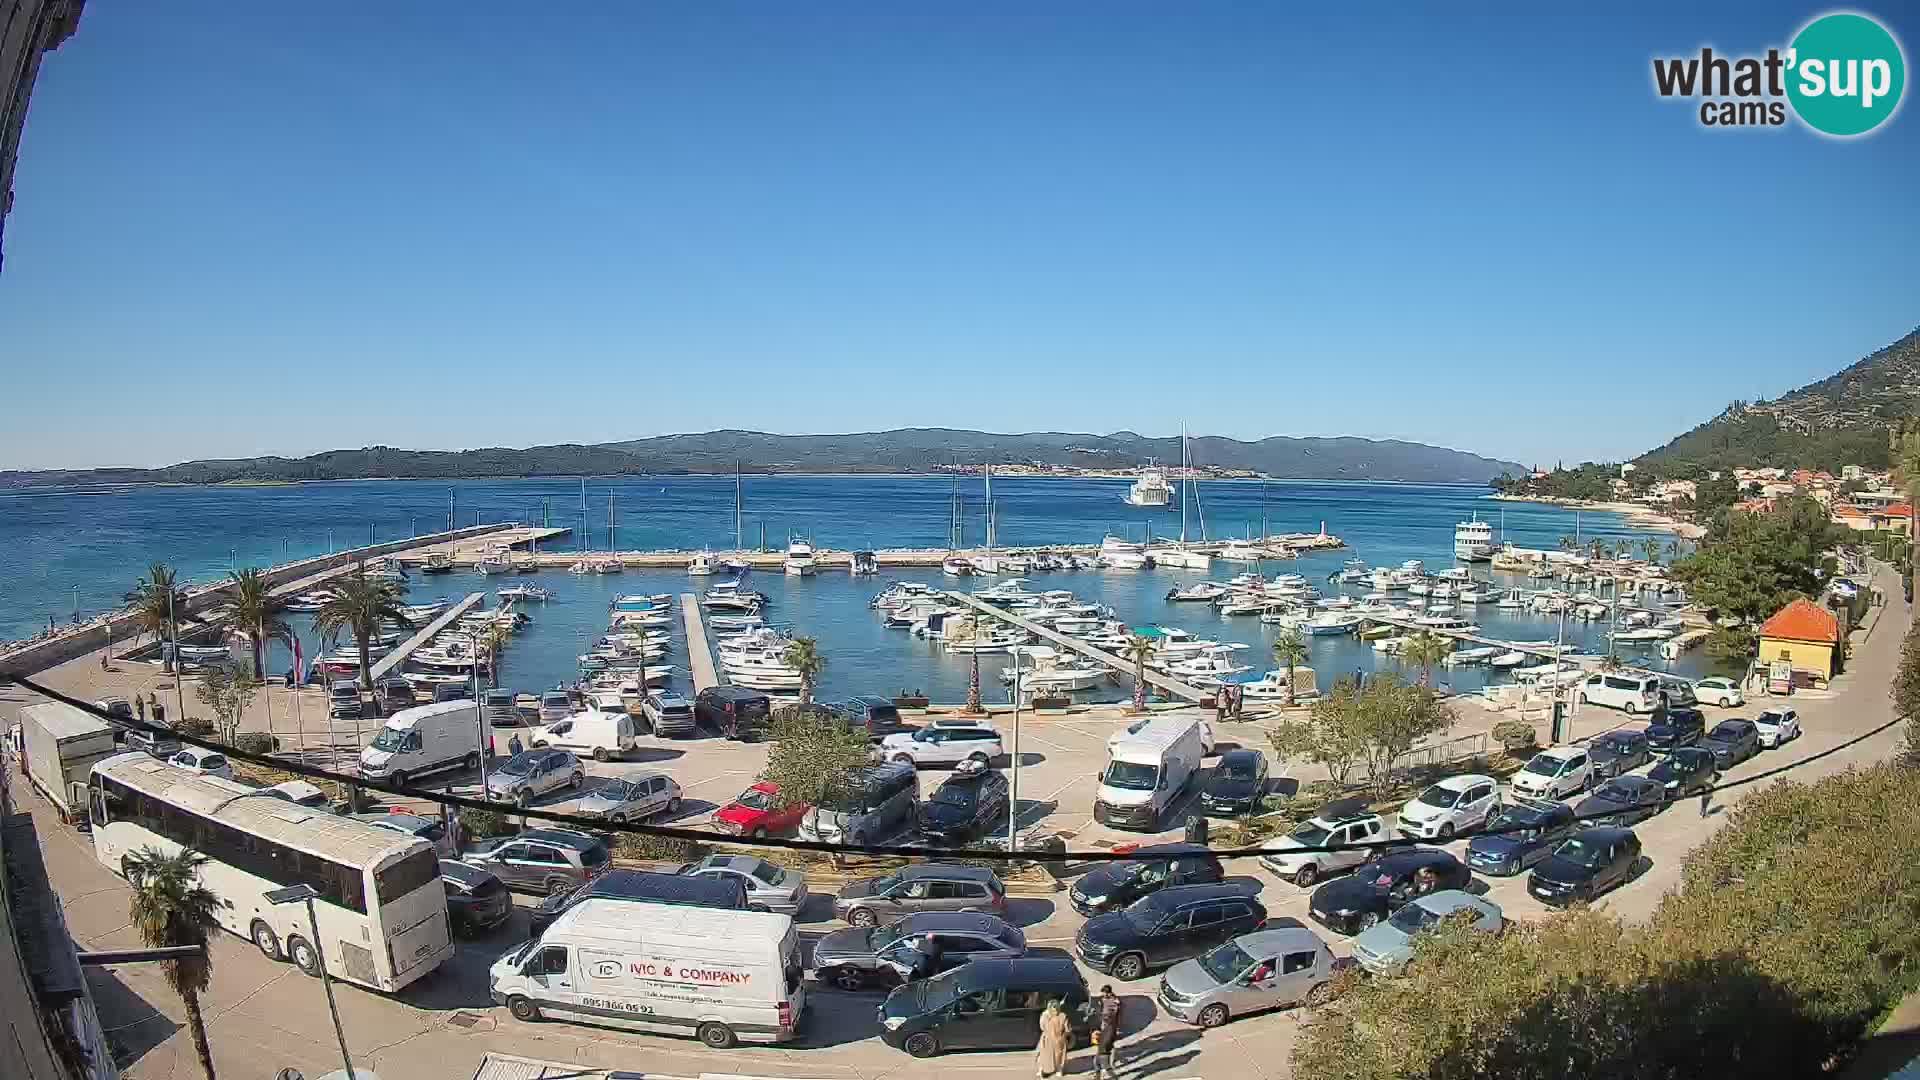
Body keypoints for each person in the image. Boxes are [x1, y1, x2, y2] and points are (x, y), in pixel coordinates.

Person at [1035, 997, 1071, 1078]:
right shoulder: (1063, 1016)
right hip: (1058, 1039)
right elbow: (1068, 1029)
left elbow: (1042, 1027)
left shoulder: (1045, 1015)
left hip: (1048, 1038)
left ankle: (1042, 1070)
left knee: (1045, 1055)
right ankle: (1059, 1070)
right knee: (1059, 1056)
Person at [1093, 984, 1122, 1079]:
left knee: (1105, 1065)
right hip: (1103, 1047)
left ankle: (1114, 1077)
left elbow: (1107, 1041)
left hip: (1104, 1050)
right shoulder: (1105, 1027)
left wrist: (1102, 1048)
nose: (1103, 995)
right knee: (1096, 1062)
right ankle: (1097, 1077)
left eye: (1105, 993)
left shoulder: (1114, 1002)